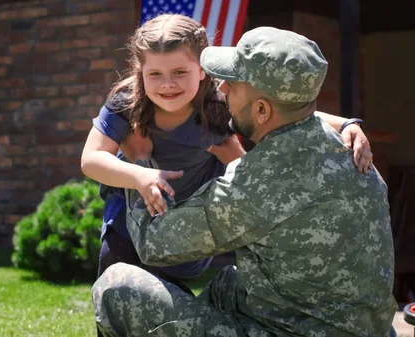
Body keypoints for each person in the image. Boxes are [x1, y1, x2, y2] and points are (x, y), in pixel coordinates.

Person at [92, 26, 397, 337]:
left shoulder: (256, 183)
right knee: (228, 283)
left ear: (262, 110)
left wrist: (139, 158)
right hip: (365, 328)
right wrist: (348, 122)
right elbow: (306, 116)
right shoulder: (352, 150)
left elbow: (153, 245)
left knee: (118, 286)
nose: (221, 89)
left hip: (284, 330)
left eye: (233, 85)